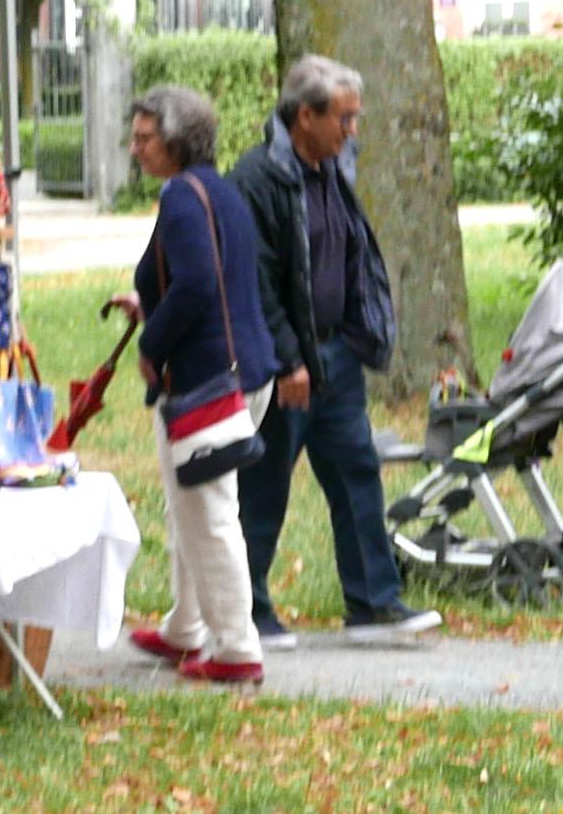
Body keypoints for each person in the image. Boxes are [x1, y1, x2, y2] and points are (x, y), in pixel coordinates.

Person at [232, 54, 439, 645]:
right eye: (343, 119)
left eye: (354, 119)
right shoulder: (258, 180)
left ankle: (373, 605)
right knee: (265, 483)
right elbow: (259, 279)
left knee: (357, 473)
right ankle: (247, 610)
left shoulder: (332, 168)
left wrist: (354, 334)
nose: (353, 131)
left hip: (338, 359)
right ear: (305, 116)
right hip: (287, 368)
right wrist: (288, 359)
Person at [120, 83, 276, 687]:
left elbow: (197, 285)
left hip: (206, 381)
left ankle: (237, 647)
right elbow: (214, 278)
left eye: (144, 137)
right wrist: (147, 303)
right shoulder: (221, 190)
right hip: (243, 371)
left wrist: (152, 343)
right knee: (191, 503)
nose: (135, 148)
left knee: (208, 513)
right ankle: (186, 627)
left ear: (177, 139)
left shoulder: (182, 200)